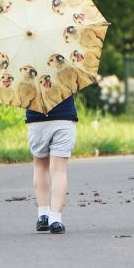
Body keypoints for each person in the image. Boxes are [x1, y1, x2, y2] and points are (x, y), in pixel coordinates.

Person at [26, 95, 77, 234]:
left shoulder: (27, 73)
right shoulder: (67, 71)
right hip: (64, 117)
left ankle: (43, 214)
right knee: (59, 171)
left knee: (40, 166)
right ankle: (55, 219)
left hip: (36, 118)